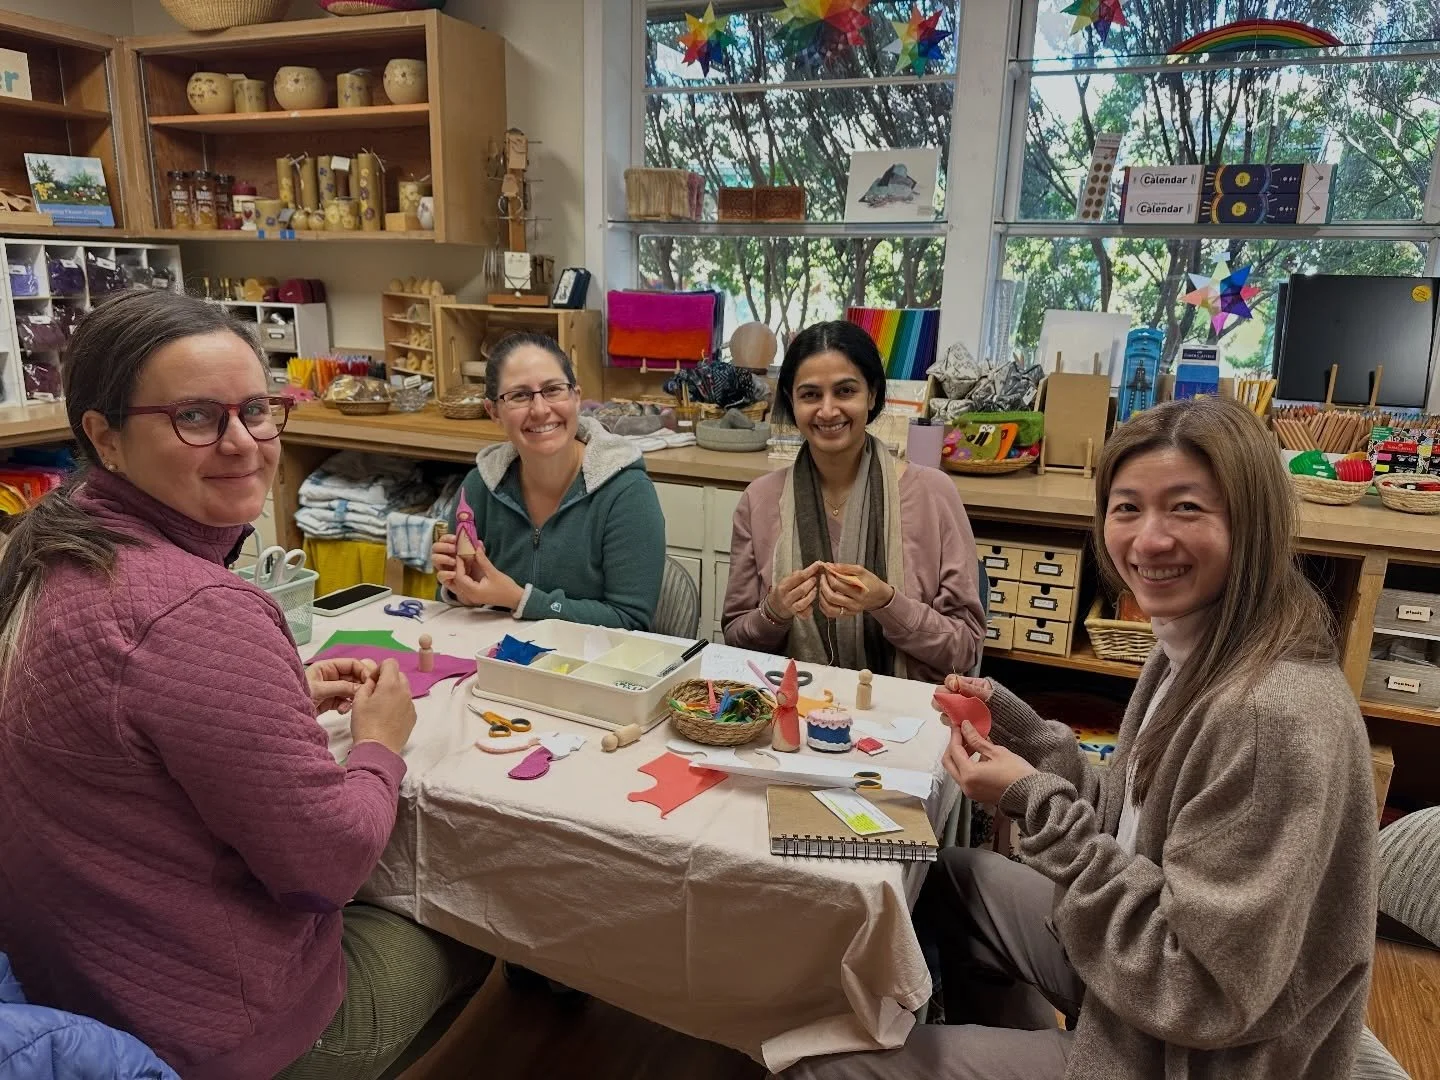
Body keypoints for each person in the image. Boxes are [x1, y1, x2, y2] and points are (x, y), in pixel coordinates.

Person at [787, 397, 1377, 1080]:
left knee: (821, 1067)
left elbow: (1196, 992)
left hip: (1196, 1052)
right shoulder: (1200, 641)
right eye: (1127, 509)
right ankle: (1012, 1044)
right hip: (1151, 978)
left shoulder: (1268, 714)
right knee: (939, 879)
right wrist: (1033, 739)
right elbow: (1137, 827)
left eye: (1186, 508)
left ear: (1254, 521)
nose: (1149, 541)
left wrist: (1035, 802)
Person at [0, 290, 491, 1080]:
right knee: (474, 914)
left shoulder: (55, 545)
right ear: (106, 437)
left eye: (257, 409)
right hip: (212, 1038)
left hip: (78, 993)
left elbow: (129, 719)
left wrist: (270, 690)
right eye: (196, 417)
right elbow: (327, 866)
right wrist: (379, 744)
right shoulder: (194, 607)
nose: (243, 443)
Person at [723, 320, 984, 683]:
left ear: (872, 395)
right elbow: (735, 638)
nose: (828, 411)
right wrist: (774, 612)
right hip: (794, 706)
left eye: (845, 391)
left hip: (906, 717)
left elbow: (965, 648)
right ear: (791, 401)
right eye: (810, 395)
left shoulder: (933, 495)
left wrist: (887, 604)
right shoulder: (760, 500)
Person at [431, 332, 665, 630]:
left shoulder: (626, 492)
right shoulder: (479, 487)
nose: (540, 410)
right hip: (499, 662)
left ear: (576, 397)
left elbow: (630, 622)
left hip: (591, 669)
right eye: (519, 395)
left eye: (553, 390)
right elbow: (454, 612)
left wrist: (520, 600)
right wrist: (459, 588)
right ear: (493, 411)